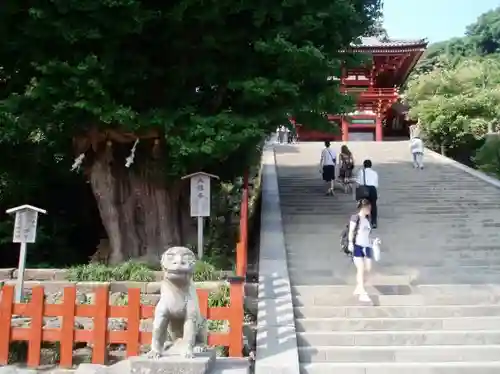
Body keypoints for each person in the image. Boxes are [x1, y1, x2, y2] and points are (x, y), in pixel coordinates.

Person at [348, 199, 375, 302]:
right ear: (363, 207)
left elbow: (367, 236)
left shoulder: (367, 220)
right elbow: (351, 231)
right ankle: (362, 291)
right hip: (358, 246)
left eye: (370, 207)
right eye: (368, 207)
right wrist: (350, 243)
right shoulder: (355, 218)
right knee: (361, 268)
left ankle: (359, 287)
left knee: (368, 269)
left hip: (367, 247)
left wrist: (373, 242)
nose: (369, 209)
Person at [355, 159, 379, 228]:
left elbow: (358, 183)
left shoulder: (361, 172)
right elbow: (376, 184)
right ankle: (374, 222)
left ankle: (363, 220)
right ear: (371, 165)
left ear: (364, 165)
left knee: (363, 205)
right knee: (373, 205)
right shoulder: (374, 173)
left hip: (364, 189)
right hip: (372, 189)